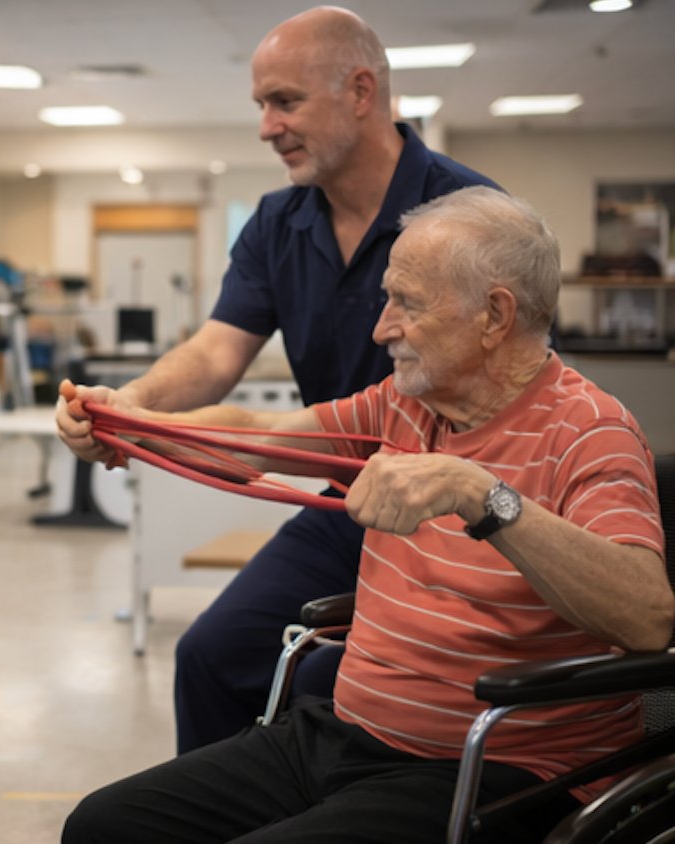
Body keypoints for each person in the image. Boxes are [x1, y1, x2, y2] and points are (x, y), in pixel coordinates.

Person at [61, 186, 672, 843]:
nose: (382, 328)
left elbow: (645, 618)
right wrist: (129, 423)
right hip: (346, 736)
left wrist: (479, 492)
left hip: (491, 770)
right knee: (103, 826)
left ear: (495, 316)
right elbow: (257, 438)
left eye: (407, 303)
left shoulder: (591, 431)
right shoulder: (404, 404)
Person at [55, 5, 499, 753]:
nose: (267, 127)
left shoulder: (471, 215)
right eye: (262, 104)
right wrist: (127, 407)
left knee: (336, 687)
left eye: (285, 101)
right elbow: (215, 354)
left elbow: (521, 387)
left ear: (360, 91)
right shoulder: (275, 223)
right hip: (345, 506)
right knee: (210, 657)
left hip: (456, 516)